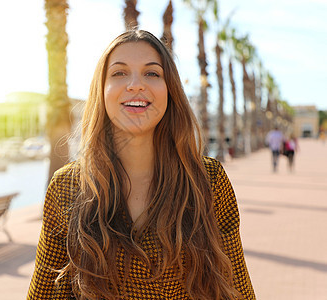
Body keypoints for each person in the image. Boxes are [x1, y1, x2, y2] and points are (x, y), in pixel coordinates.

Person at [27, 30, 255, 300]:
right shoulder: (67, 185)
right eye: (119, 73)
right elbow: (43, 294)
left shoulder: (208, 179)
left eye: (152, 73)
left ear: (170, 90)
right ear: (102, 91)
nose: (135, 84)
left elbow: (238, 289)